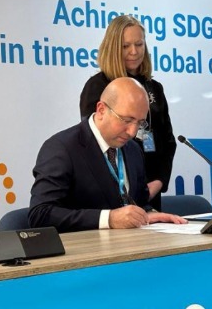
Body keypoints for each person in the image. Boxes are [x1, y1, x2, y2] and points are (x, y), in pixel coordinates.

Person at [30, 77, 186, 232]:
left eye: (140, 123)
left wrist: (148, 214)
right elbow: (40, 214)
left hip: (131, 242)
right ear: (101, 110)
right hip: (84, 245)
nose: (132, 132)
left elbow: (138, 201)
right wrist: (108, 219)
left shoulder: (133, 149)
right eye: (126, 120)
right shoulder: (62, 148)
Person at [80, 15, 176, 211]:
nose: (134, 51)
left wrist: (159, 181)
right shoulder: (97, 86)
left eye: (139, 44)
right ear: (113, 48)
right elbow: (95, 143)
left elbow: (167, 140)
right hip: (115, 193)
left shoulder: (154, 87)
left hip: (151, 191)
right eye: (125, 46)